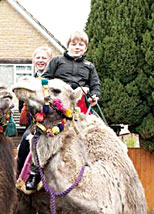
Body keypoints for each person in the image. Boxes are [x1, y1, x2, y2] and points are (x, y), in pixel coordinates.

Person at [25, 31, 101, 191]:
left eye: (81, 45)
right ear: (67, 46)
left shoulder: (89, 66)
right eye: (74, 44)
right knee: (36, 135)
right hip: (56, 107)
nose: (77, 47)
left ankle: (93, 170)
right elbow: (45, 79)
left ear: (86, 48)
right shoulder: (57, 61)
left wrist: (94, 95)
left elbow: (96, 86)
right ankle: (34, 172)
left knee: (97, 132)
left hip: (80, 107)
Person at [16, 46, 53, 180]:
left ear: (50, 61)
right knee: (23, 148)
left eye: (44, 58)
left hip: (51, 124)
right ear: (33, 61)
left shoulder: (53, 82)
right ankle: (19, 178)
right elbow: (21, 105)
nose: (41, 60)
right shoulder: (29, 82)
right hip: (34, 124)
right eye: (38, 58)